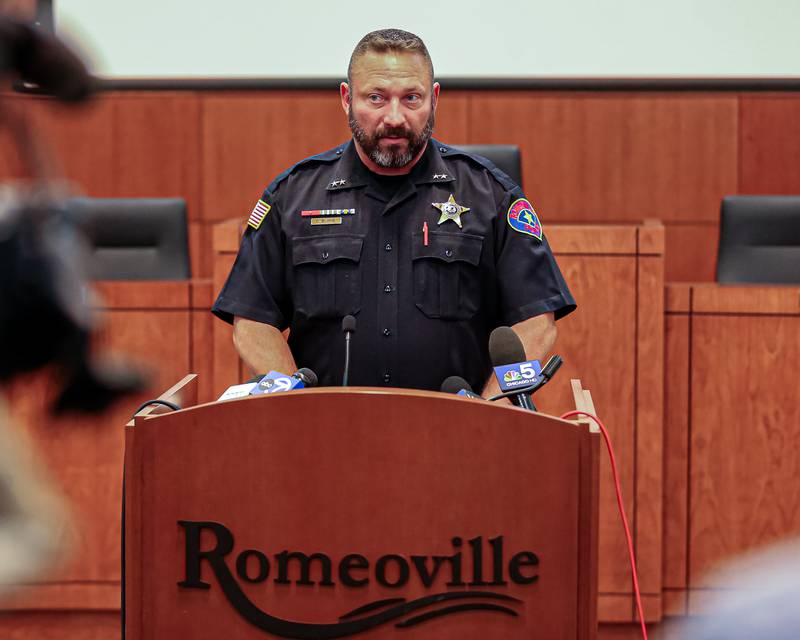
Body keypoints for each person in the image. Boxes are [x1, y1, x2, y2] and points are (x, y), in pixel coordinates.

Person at [212, 28, 575, 394]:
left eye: (411, 98)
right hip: (326, 434)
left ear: (434, 99)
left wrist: (492, 406)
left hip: (460, 435)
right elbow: (253, 320)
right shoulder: (292, 197)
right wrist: (294, 399)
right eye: (376, 98)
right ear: (346, 98)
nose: (395, 117)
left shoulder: (491, 195)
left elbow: (535, 322)